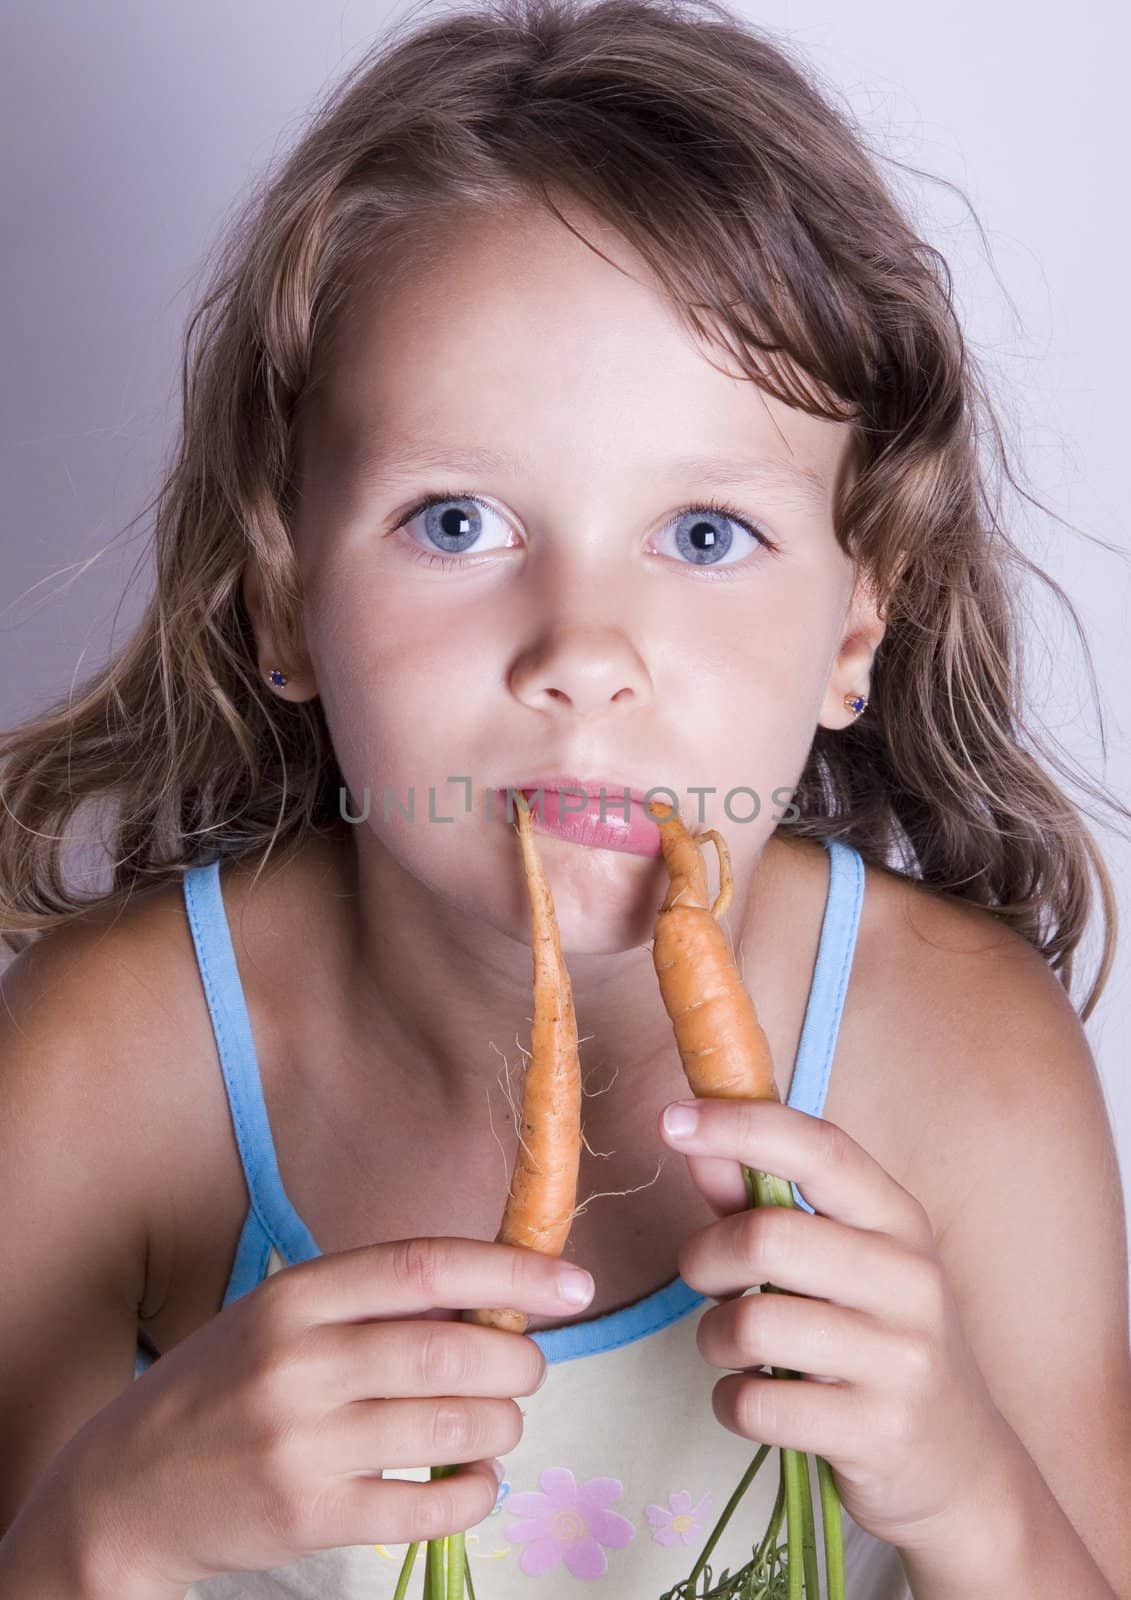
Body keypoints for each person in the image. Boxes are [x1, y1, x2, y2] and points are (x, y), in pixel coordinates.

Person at [0, 0, 1128, 1595]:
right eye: (456, 522)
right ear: (276, 595)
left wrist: (973, 1494)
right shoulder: (112, 1070)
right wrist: (96, 1533)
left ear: (856, 624)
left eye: (706, 534)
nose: (585, 657)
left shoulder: (967, 1067)